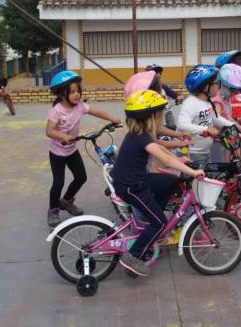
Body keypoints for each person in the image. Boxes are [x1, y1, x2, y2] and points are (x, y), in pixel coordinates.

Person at [112, 89, 205, 277]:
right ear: (151, 117)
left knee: (171, 182)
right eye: (160, 115)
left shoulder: (141, 134)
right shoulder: (142, 138)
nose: (161, 119)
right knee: (160, 222)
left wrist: (181, 161)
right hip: (131, 187)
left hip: (135, 180)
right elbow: (167, 160)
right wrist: (194, 172)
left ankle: (150, 218)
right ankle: (133, 256)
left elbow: (164, 153)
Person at [46, 71, 121, 226]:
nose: (77, 95)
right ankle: (53, 209)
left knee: (81, 177)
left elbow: (96, 111)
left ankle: (66, 201)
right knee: (58, 182)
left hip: (72, 150)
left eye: (78, 91)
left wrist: (111, 118)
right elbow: (49, 131)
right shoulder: (57, 111)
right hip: (57, 153)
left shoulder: (80, 106)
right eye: (72, 92)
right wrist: (63, 136)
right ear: (61, 94)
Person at [176, 65, 236, 165]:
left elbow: (214, 118)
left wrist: (232, 126)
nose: (219, 86)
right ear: (205, 86)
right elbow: (182, 125)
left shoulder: (207, 102)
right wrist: (206, 130)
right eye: (217, 83)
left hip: (204, 151)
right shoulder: (191, 103)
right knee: (197, 180)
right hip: (191, 153)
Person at [214, 50, 241, 175]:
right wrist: (233, 124)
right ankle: (232, 179)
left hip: (240, 125)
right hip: (228, 128)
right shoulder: (220, 93)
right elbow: (217, 117)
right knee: (229, 157)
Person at [123, 71, 190, 151]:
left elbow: (157, 127)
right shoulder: (143, 131)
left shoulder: (141, 122)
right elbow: (155, 144)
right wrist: (178, 143)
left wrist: (178, 134)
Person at [210, 63, 241, 164]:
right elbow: (216, 119)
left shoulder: (226, 98)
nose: (235, 93)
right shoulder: (217, 100)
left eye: (239, 91)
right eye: (232, 90)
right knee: (220, 166)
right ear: (221, 84)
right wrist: (232, 126)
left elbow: (229, 118)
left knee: (228, 164)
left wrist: (240, 128)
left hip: (226, 138)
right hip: (217, 140)